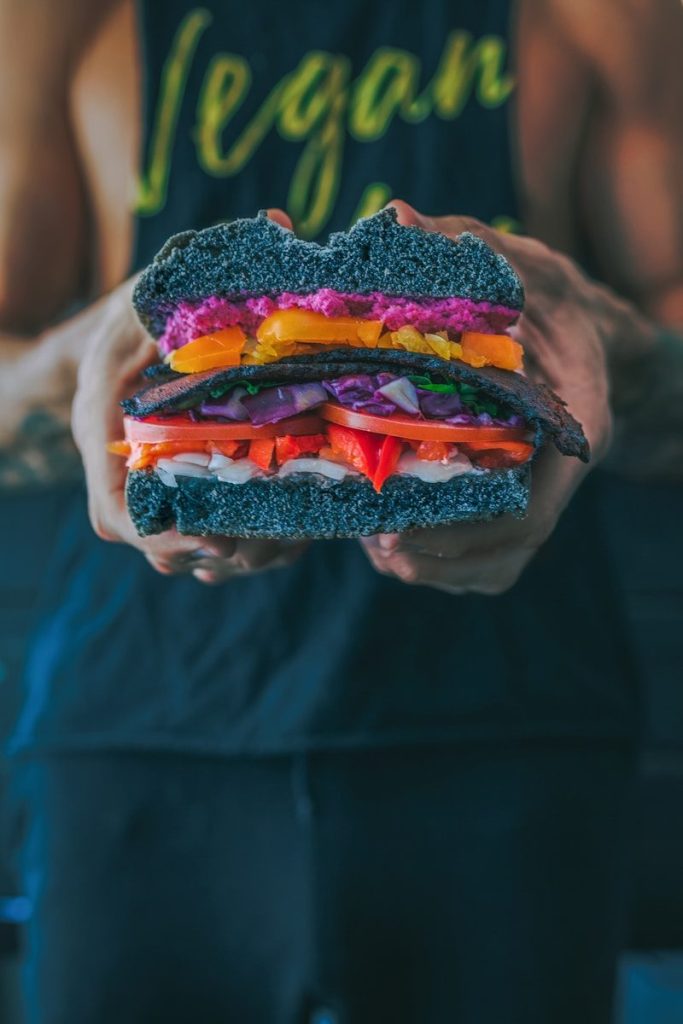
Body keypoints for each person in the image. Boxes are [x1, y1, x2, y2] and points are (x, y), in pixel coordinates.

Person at [2, 0, 682, 1021]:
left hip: (511, 730)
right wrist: (90, 354)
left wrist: (606, 346)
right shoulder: (55, 17)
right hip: (141, 736)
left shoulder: (607, 14)